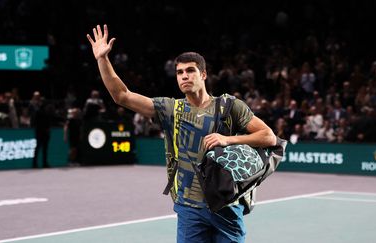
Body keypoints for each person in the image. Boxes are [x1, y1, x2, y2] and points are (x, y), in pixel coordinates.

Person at [87, 24, 276, 243]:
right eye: (179, 72)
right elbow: (122, 96)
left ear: (203, 74)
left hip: (226, 207)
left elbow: (268, 136)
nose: (184, 76)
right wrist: (102, 59)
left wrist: (228, 139)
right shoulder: (171, 109)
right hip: (189, 208)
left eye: (190, 71)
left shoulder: (230, 106)